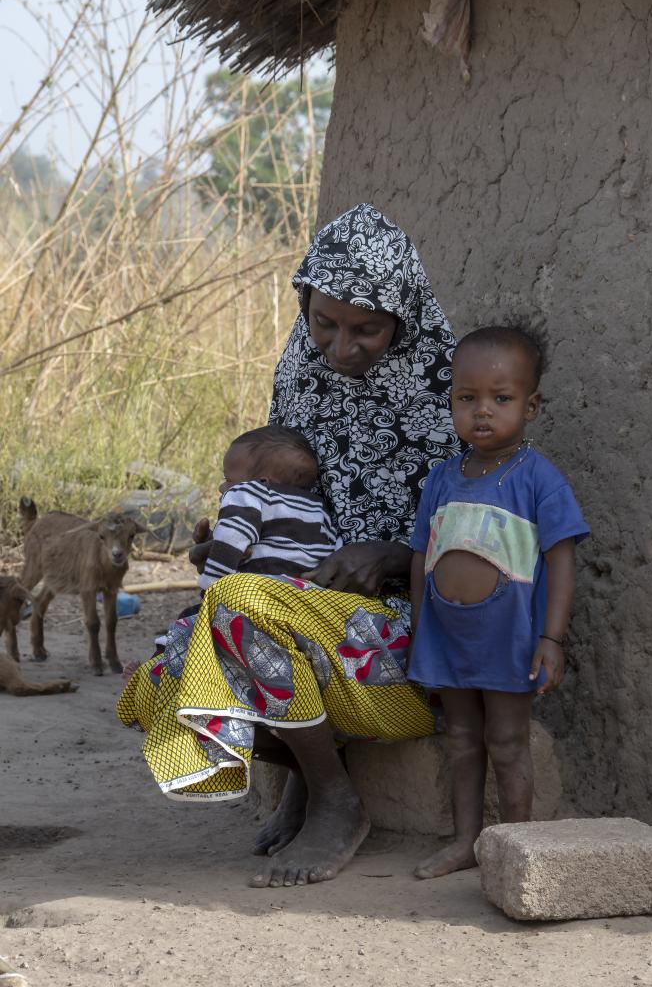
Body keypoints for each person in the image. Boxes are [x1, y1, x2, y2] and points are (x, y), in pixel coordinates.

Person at [118, 203, 460, 888]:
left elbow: (485, 532)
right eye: (323, 322)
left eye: (366, 328)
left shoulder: (452, 389)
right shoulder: (298, 377)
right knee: (154, 685)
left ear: (404, 317)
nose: (340, 347)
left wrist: (393, 555)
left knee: (239, 607)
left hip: (408, 634)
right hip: (300, 608)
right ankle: (310, 771)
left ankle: (336, 799)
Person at [407, 324, 589, 879]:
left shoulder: (539, 479)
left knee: (508, 743)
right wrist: (420, 632)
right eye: (467, 399)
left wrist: (552, 639)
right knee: (461, 739)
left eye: (501, 398)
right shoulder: (442, 479)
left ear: (531, 405)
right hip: (448, 636)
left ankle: (518, 849)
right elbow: (421, 557)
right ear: (452, 403)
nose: (482, 411)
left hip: (509, 641)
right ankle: (466, 842)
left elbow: (561, 561)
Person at [119, 424, 341, 684]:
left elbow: (231, 539)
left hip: (251, 599)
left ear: (262, 481)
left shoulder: (248, 493)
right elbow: (332, 554)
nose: (223, 487)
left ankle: (155, 673)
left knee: (188, 621)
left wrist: (211, 587)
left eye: (229, 478)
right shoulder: (319, 509)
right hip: (301, 607)